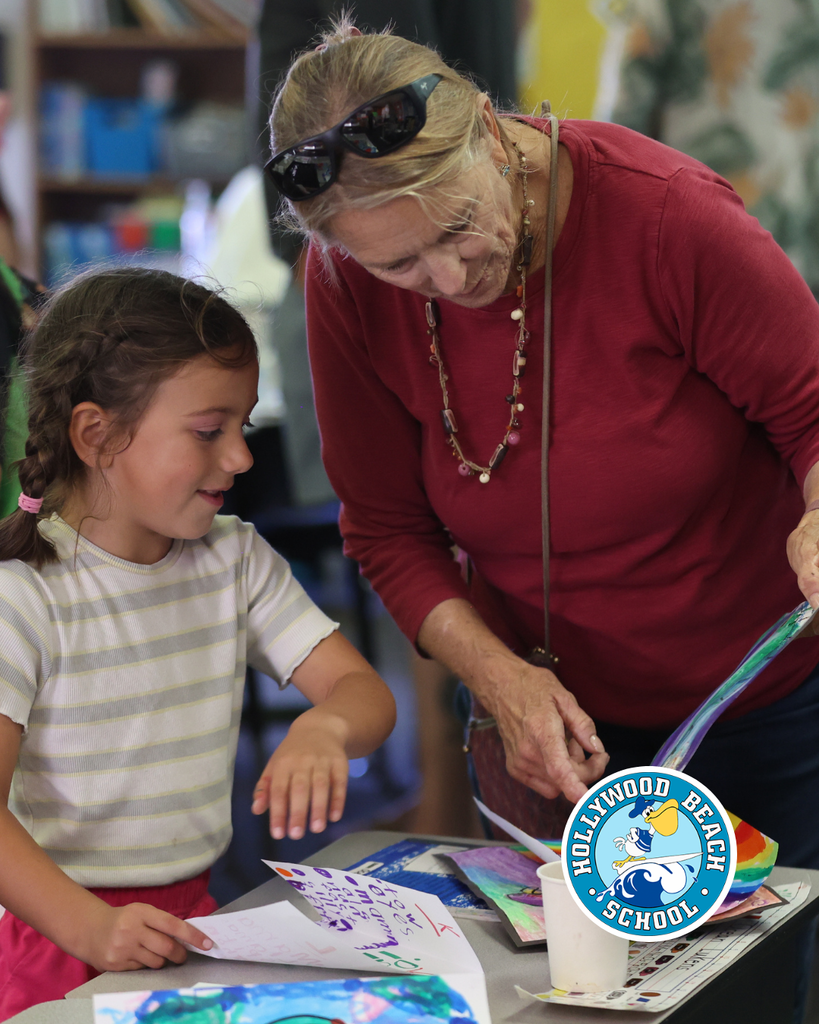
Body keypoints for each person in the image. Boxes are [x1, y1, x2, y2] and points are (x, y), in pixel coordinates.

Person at [264, 21, 819, 868]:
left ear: (489, 131)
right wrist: (495, 677)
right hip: (546, 726)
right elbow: (386, 529)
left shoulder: (666, 216)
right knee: (567, 992)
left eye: (457, 227)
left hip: (762, 703)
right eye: (400, 267)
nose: (451, 281)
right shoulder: (341, 283)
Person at [0, 267, 396, 1018]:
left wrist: (328, 725)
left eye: (241, 427)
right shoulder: (22, 593)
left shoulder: (234, 558)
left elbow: (364, 694)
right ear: (97, 434)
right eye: (209, 431)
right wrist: (90, 926)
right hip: (57, 937)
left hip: (191, 921)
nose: (242, 458)